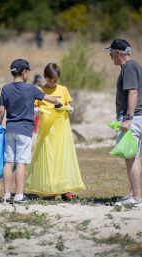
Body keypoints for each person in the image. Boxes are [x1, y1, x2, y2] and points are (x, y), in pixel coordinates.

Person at [0, 59, 62, 203]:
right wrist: (58, 102)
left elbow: (1, 110)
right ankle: (19, 195)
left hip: (10, 130)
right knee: (21, 163)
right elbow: (48, 98)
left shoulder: (5, 88)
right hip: (24, 131)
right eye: (28, 72)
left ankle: (6, 194)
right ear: (24, 71)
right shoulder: (31, 88)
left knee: (8, 162)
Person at [25, 63, 86, 200]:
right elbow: (35, 105)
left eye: (55, 80)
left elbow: (68, 104)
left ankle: (65, 190)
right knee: (49, 159)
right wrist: (36, 110)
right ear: (45, 77)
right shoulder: (40, 90)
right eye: (49, 80)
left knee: (62, 158)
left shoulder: (63, 89)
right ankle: (50, 190)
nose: (52, 83)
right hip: (47, 131)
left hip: (62, 131)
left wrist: (69, 108)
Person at [103, 39, 142, 207]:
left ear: (119, 53)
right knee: (133, 157)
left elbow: (133, 93)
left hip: (132, 119)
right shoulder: (134, 66)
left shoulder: (128, 67)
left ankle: (137, 198)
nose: (110, 55)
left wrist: (128, 118)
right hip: (137, 118)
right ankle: (133, 194)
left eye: (111, 52)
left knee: (131, 158)